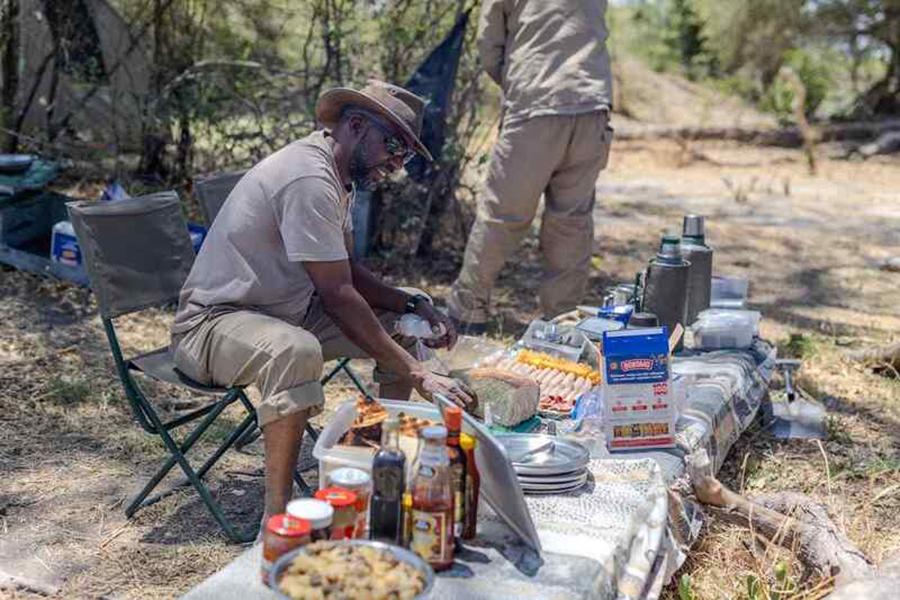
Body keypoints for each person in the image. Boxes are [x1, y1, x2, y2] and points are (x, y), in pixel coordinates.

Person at [170, 79, 475, 525]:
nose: (397, 162)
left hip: (285, 312)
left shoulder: (339, 176)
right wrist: (419, 372)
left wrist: (411, 306)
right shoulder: (309, 178)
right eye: (393, 145)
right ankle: (278, 523)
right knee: (295, 350)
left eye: (406, 154)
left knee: (404, 314)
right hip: (214, 324)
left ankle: (382, 465)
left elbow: (345, 271)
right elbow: (337, 296)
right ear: (356, 126)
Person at [447, 0, 615, 332]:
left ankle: (469, 312)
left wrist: (518, 82)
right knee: (572, 222)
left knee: (502, 217)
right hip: (591, 105)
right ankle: (562, 321)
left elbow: (490, 46)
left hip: (535, 104)